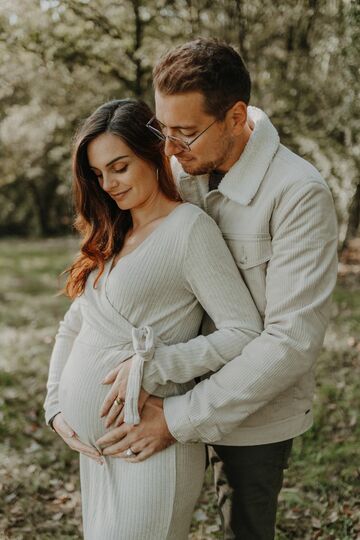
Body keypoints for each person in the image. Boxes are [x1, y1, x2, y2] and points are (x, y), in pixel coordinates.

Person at [96, 39, 339, 539]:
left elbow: (291, 340)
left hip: (254, 410)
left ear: (235, 116)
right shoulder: (183, 167)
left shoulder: (298, 193)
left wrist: (178, 418)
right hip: (162, 396)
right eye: (162, 130)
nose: (169, 150)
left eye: (185, 133)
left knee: (243, 529)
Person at [43, 97, 264, 539]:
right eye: (99, 174)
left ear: (153, 152)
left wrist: (157, 364)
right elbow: (75, 324)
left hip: (148, 448)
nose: (108, 184)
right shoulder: (114, 232)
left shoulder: (189, 230)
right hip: (97, 453)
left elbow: (243, 331)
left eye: (119, 167)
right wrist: (55, 406)